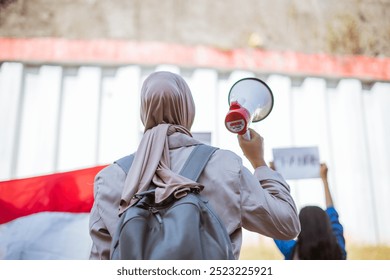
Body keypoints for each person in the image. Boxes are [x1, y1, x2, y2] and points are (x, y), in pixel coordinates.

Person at [88, 71, 300, 260]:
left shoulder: (109, 179)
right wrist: (259, 162)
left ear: (144, 111)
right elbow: (288, 224)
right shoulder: (225, 165)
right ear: (188, 110)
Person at [273, 163, 347, 260]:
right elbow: (332, 212)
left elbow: (274, 221)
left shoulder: (292, 251)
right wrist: (325, 180)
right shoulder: (339, 250)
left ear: (300, 228)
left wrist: (273, 177)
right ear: (326, 224)